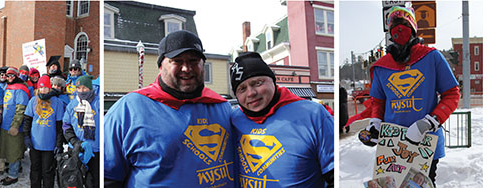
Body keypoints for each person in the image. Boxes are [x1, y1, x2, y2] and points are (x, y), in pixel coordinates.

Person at [104, 30, 235, 187]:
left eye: (194, 61)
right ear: (161, 66)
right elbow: (108, 177)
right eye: (177, 61)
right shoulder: (128, 110)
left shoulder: (223, 107)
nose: (187, 68)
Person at [360, 6, 460, 186]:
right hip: (392, 145)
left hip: (425, 145)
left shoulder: (432, 57)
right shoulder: (382, 66)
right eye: (395, 25)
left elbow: (451, 94)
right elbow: (378, 102)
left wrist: (429, 122)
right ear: (390, 32)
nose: (399, 29)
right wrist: (375, 123)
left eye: (404, 24)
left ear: (413, 29)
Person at [229, 52, 334, 187]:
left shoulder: (313, 114)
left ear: (273, 81)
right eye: (242, 89)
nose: (251, 93)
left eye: (257, 83)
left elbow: (333, 174)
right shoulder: (234, 119)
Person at [23, 75, 65, 188]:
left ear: (50, 88)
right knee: (35, 169)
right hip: (35, 143)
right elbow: (27, 120)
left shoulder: (57, 102)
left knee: (48, 171)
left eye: (45, 87)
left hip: (49, 144)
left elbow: (59, 126)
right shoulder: (33, 101)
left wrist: (58, 143)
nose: (43, 90)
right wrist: (26, 136)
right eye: (41, 87)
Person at [63, 75, 99, 187]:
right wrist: (75, 142)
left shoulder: (98, 103)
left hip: (96, 150)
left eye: (84, 88)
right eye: (79, 88)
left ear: (90, 88)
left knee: (94, 181)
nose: (81, 91)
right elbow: (66, 125)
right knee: (75, 181)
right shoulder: (73, 105)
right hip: (77, 149)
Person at [0, 67, 31, 185]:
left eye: (12, 76)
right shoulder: (7, 88)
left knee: (14, 151)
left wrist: (15, 125)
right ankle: (15, 168)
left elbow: (21, 109)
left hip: (14, 127)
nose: (10, 78)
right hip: (6, 124)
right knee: (9, 150)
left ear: (16, 76)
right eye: (8, 76)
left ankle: (13, 175)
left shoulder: (21, 90)